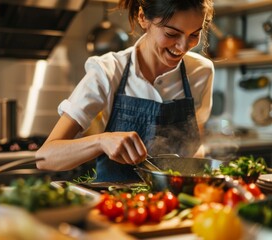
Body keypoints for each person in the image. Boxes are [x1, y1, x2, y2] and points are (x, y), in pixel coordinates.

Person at [36, 0, 215, 182]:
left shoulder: (201, 72)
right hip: (118, 205)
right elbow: (45, 158)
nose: (183, 47)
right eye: (172, 34)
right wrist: (101, 141)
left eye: (194, 35)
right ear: (143, 18)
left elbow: (195, 143)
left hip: (176, 203)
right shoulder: (108, 72)